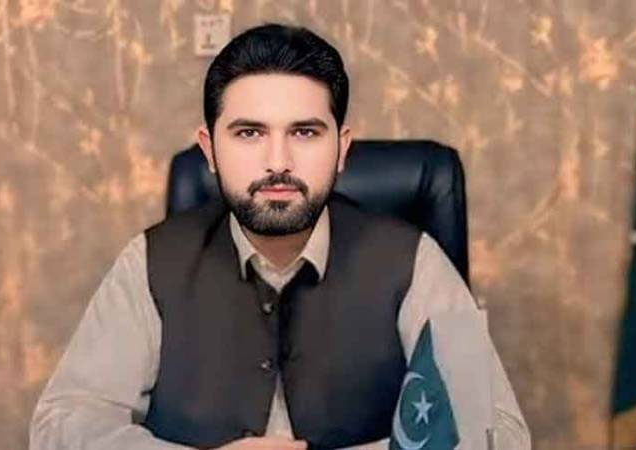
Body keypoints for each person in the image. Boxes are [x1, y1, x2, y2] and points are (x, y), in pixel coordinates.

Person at [29, 23, 530, 450]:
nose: (278, 161)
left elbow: (499, 434)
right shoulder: (150, 261)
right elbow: (61, 426)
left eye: (305, 132)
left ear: (342, 149)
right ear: (209, 149)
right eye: (249, 133)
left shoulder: (414, 259)